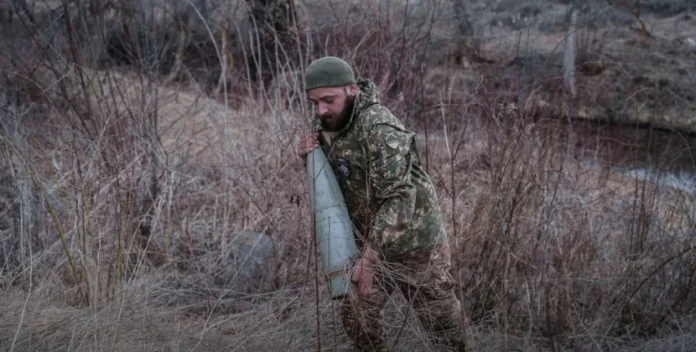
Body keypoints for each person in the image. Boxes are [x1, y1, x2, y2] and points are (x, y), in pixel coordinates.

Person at [297, 56, 476, 352]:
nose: (321, 110)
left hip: (415, 244)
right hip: (372, 241)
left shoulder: (379, 126)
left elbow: (400, 197)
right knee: (357, 318)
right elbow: (336, 180)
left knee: (447, 333)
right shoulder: (327, 122)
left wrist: (368, 260)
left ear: (353, 90)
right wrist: (309, 158)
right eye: (314, 102)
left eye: (328, 100)